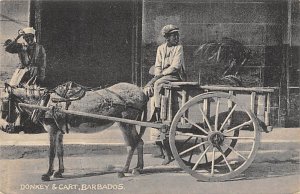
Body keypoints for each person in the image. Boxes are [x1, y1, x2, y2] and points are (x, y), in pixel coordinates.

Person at [145, 24, 186, 164]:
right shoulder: (161, 49)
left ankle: (157, 108)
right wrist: (157, 74)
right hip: (162, 76)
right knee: (156, 84)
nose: (176, 38)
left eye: (177, 35)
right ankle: (157, 105)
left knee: (157, 84)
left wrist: (160, 76)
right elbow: (157, 65)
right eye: (173, 36)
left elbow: (176, 66)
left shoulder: (178, 48)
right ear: (167, 38)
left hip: (175, 76)